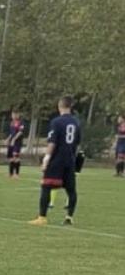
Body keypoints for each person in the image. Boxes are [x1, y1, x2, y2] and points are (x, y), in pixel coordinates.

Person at [29, 96, 81, 227]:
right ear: (70, 107)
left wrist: (46, 158)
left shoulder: (56, 122)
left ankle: (42, 217)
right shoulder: (76, 122)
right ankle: (69, 217)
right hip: (70, 160)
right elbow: (77, 144)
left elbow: (52, 142)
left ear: (60, 106)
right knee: (71, 190)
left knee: (46, 186)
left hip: (57, 160)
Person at [5, 110, 27, 179]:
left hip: (17, 142)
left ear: (18, 115)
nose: (13, 116)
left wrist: (14, 139)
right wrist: (8, 139)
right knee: (11, 158)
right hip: (12, 142)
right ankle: (11, 174)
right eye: (12, 115)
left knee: (16, 157)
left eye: (14, 114)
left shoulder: (21, 122)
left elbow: (20, 132)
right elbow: (12, 133)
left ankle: (16, 174)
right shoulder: (12, 123)